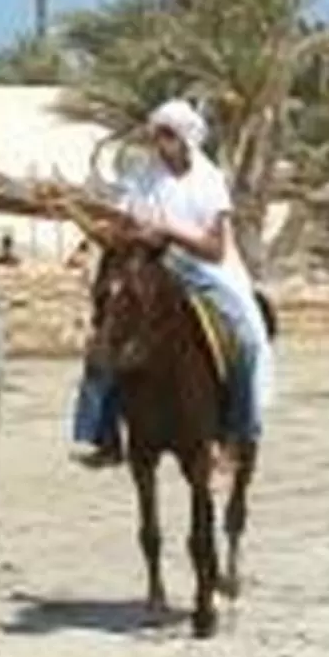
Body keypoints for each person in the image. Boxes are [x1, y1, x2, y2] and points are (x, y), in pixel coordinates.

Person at [66, 100, 274, 467]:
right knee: (106, 335)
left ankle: (237, 432)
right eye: (155, 135)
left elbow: (214, 248)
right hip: (148, 266)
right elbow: (126, 225)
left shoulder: (208, 181)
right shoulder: (142, 175)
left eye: (166, 135)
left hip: (204, 272)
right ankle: (101, 433)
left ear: (185, 139)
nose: (158, 143)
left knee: (247, 340)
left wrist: (169, 230)